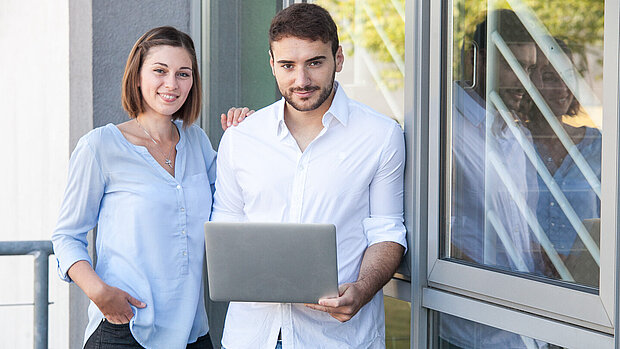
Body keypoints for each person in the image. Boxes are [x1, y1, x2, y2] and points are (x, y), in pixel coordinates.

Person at [211, 3, 407, 348]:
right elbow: (227, 226)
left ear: (339, 59)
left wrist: (361, 290)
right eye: (287, 65)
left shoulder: (380, 135)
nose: (301, 80)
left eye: (314, 63)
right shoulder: (241, 138)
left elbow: (387, 230)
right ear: (272, 65)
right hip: (252, 335)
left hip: (338, 338)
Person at [51, 26, 249, 348]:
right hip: (125, 330)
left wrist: (246, 138)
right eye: (160, 71)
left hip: (193, 334)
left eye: (183, 74)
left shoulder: (198, 142)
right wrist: (99, 293)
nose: (172, 84)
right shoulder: (100, 146)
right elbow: (66, 236)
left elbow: (235, 205)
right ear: (138, 76)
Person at [441, 9, 549, 349]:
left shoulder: (518, 136)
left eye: (529, 68)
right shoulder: (442, 132)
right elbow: (431, 237)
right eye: (512, 65)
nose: (523, 80)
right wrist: (494, 287)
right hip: (472, 332)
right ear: (475, 60)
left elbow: (523, 228)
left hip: (527, 329)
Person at [523, 38, 601, 287]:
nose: (564, 88)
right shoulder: (512, 143)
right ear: (531, 81)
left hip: (588, 288)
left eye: (568, 76)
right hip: (523, 283)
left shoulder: (600, 146)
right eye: (551, 77)